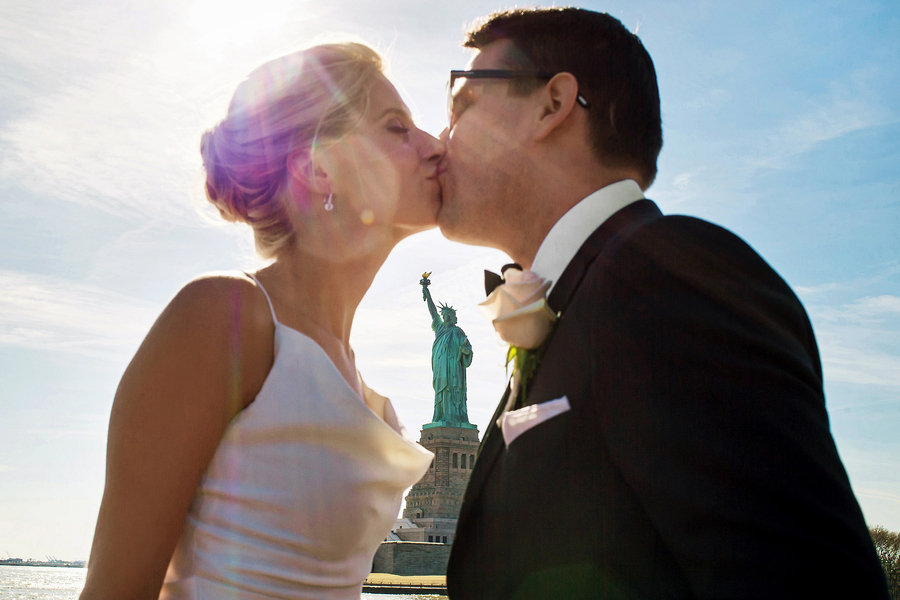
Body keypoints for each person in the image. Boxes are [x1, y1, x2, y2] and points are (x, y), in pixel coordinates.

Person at [438, 8, 890, 599]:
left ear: (552, 104)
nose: (439, 137)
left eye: (462, 105)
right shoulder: (591, 294)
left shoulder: (668, 278)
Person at [79, 42, 441, 599]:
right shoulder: (222, 319)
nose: (434, 145)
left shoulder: (367, 392)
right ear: (322, 169)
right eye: (397, 128)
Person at [420, 275, 473, 425]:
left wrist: (464, 350)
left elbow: (468, 349)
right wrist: (426, 291)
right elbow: (432, 311)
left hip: (454, 368)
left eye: (448, 315)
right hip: (441, 366)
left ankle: (454, 418)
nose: (445, 317)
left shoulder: (458, 332)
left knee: (453, 390)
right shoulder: (440, 328)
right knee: (441, 391)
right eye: (443, 315)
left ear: (453, 317)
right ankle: (441, 416)